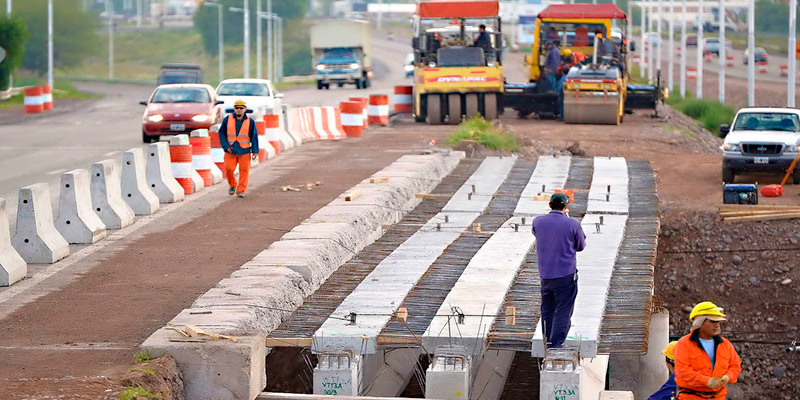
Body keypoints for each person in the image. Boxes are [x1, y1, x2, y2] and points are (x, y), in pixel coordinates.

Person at [531, 193, 587, 348]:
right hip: (565, 275)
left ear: (549, 205)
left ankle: (547, 339)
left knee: (547, 309)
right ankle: (555, 344)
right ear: (566, 206)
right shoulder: (573, 224)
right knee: (563, 309)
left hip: (546, 275)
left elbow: (537, 234)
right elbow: (581, 246)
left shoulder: (538, 222)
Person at [674, 301, 742, 400]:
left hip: (718, 397)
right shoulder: (684, 344)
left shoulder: (725, 344)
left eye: (718, 322)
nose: (717, 325)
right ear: (700, 323)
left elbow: (735, 366)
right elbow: (683, 371)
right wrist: (706, 381)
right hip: (691, 397)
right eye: (712, 321)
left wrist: (728, 376)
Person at [218, 99, 259, 198]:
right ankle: (232, 185)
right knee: (228, 169)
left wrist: (255, 151)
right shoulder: (227, 119)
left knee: (244, 170)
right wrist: (226, 146)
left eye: (241, 108)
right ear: (234, 109)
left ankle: (241, 190)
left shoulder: (250, 121)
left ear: (245, 109)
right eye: (237, 108)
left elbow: (254, 136)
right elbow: (222, 133)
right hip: (230, 150)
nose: (239, 110)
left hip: (244, 150)